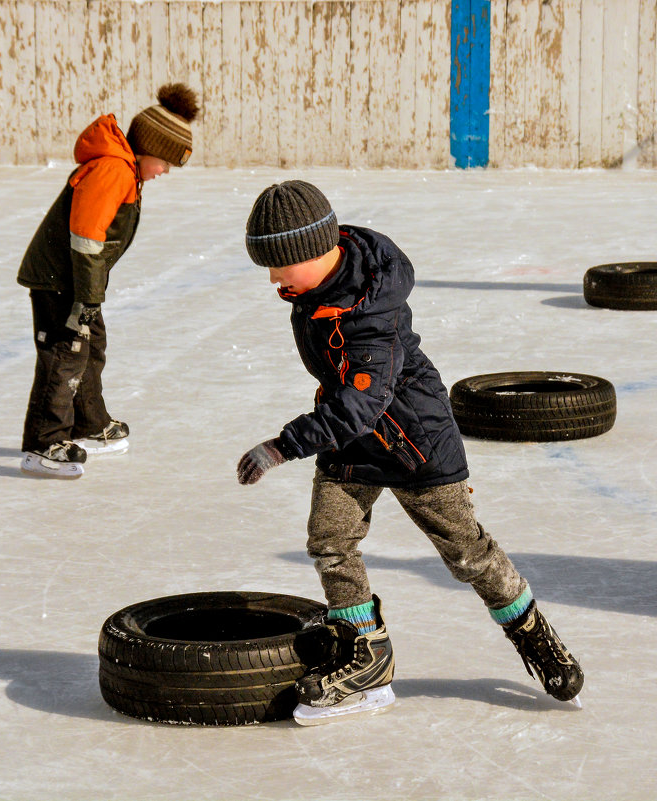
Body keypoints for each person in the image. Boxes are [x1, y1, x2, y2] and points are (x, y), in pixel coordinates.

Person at [235, 180, 584, 725]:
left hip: (413, 442)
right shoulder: (318, 285)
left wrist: (285, 445)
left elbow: (363, 402)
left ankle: (531, 632)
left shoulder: (370, 313)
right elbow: (349, 401)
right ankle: (366, 658)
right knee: (329, 539)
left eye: (279, 266)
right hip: (352, 437)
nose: (274, 279)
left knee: (467, 554)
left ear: (313, 250)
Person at [17, 84, 199, 479]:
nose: (164, 171)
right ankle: (43, 442)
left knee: (90, 346)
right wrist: (85, 300)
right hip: (59, 280)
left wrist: (90, 299)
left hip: (77, 283)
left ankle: (88, 423)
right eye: (165, 162)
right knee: (66, 352)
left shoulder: (125, 170)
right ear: (149, 149)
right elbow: (86, 239)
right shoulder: (113, 169)